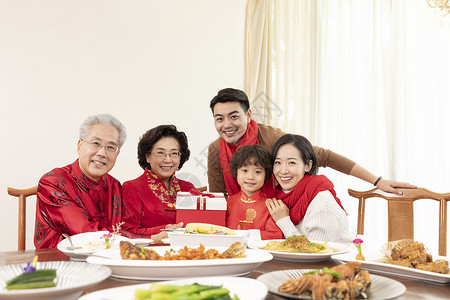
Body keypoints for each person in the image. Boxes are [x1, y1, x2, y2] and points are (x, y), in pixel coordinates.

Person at [207, 88, 415, 197]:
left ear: (248, 115)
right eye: (220, 118)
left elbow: (324, 156)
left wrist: (377, 181)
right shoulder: (216, 149)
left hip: (282, 214)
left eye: (234, 116)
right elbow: (218, 196)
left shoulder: (270, 137)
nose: (227, 124)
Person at [34, 114, 128, 249]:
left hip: (107, 262)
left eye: (111, 147)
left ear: (117, 154)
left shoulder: (114, 186)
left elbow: (122, 229)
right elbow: (85, 234)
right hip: (60, 264)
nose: (102, 153)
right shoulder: (54, 182)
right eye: (96, 143)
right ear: (79, 146)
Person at [266, 134, 353, 242]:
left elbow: (315, 254)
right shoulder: (278, 199)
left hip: (337, 259)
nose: (283, 171)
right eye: (278, 162)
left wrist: (284, 221)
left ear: (308, 166)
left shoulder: (322, 204)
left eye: (291, 163)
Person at [122, 125, 196, 241]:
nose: (167, 160)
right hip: (148, 253)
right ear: (147, 156)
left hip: (186, 253)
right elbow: (126, 231)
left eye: (174, 153)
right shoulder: (132, 188)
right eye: (160, 153)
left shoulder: (188, 188)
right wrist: (164, 230)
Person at [226, 145, 283, 240]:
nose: (250, 177)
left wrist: (244, 236)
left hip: (261, 253)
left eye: (257, 172)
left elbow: (275, 235)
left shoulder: (271, 206)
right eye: (245, 170)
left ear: (266, 175)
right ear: (236, 173)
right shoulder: (227, 203)